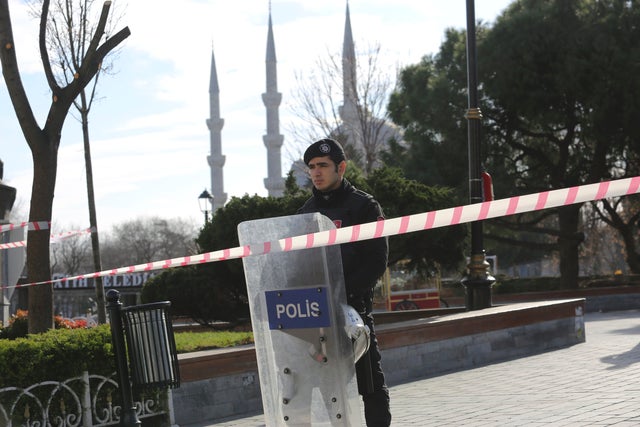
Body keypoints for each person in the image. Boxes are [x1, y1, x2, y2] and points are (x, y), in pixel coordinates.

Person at [297, 138, 391, 427]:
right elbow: (297, 264)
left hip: (353, 311)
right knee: (327, 386)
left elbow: (376, 259)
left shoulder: (363, 206)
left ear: (341, 167)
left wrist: (342, 292)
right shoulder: (304, 213)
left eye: (323, 165)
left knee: (370, 384)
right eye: (312, 167)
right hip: (316, 315)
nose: (316, 172)